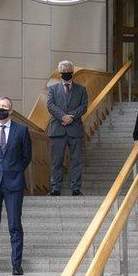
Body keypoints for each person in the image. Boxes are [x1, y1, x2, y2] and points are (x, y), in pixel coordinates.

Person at [0, 96, 32, 276]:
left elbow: (26, 157)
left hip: (14, 183)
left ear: (10, 110)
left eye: (4, 106)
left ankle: (16, 264)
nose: (1, 108)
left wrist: (13, 171)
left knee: (15, 225)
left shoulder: (22, 130)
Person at [46, 60, 88, 196]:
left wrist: (71, 117)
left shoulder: (81, 89)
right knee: (56, 161)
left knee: (76, 161)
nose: (66, 74)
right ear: (59, 73)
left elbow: (84, 106)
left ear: (73, 72)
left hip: (75, 130)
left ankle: (76, 188)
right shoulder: (52, 89)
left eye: (68, 71)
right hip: (57, 130)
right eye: (63, 72)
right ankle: (55, 188)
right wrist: (63, 116)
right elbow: (50, 105)